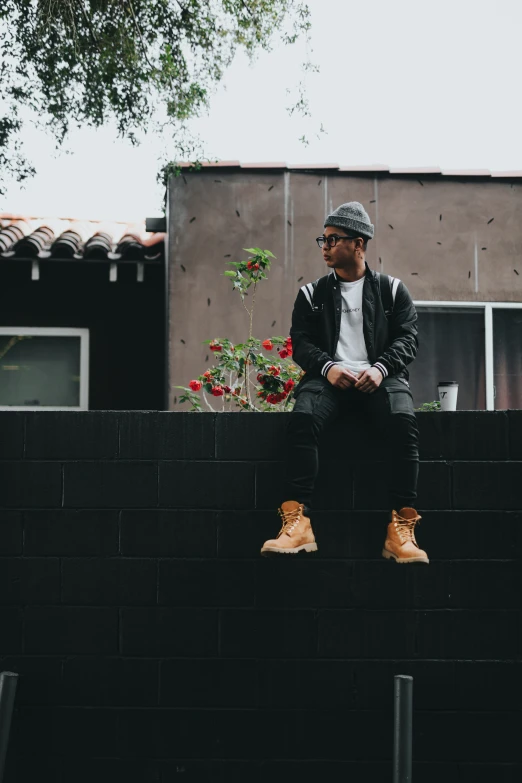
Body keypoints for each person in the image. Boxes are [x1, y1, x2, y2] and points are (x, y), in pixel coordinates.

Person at [260, 201, 428, 564]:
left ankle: (400, 529)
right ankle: (298, 523)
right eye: (323, 238)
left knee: (403, 421)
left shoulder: (392, 291)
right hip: (327, 380)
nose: (325, 245)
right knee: (302, 418)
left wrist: (381, 369)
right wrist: (328, 368)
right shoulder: (311, 295)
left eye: (334, 239)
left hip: (381, 378)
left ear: (359, 243)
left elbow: (408, 339)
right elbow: (302, 343)